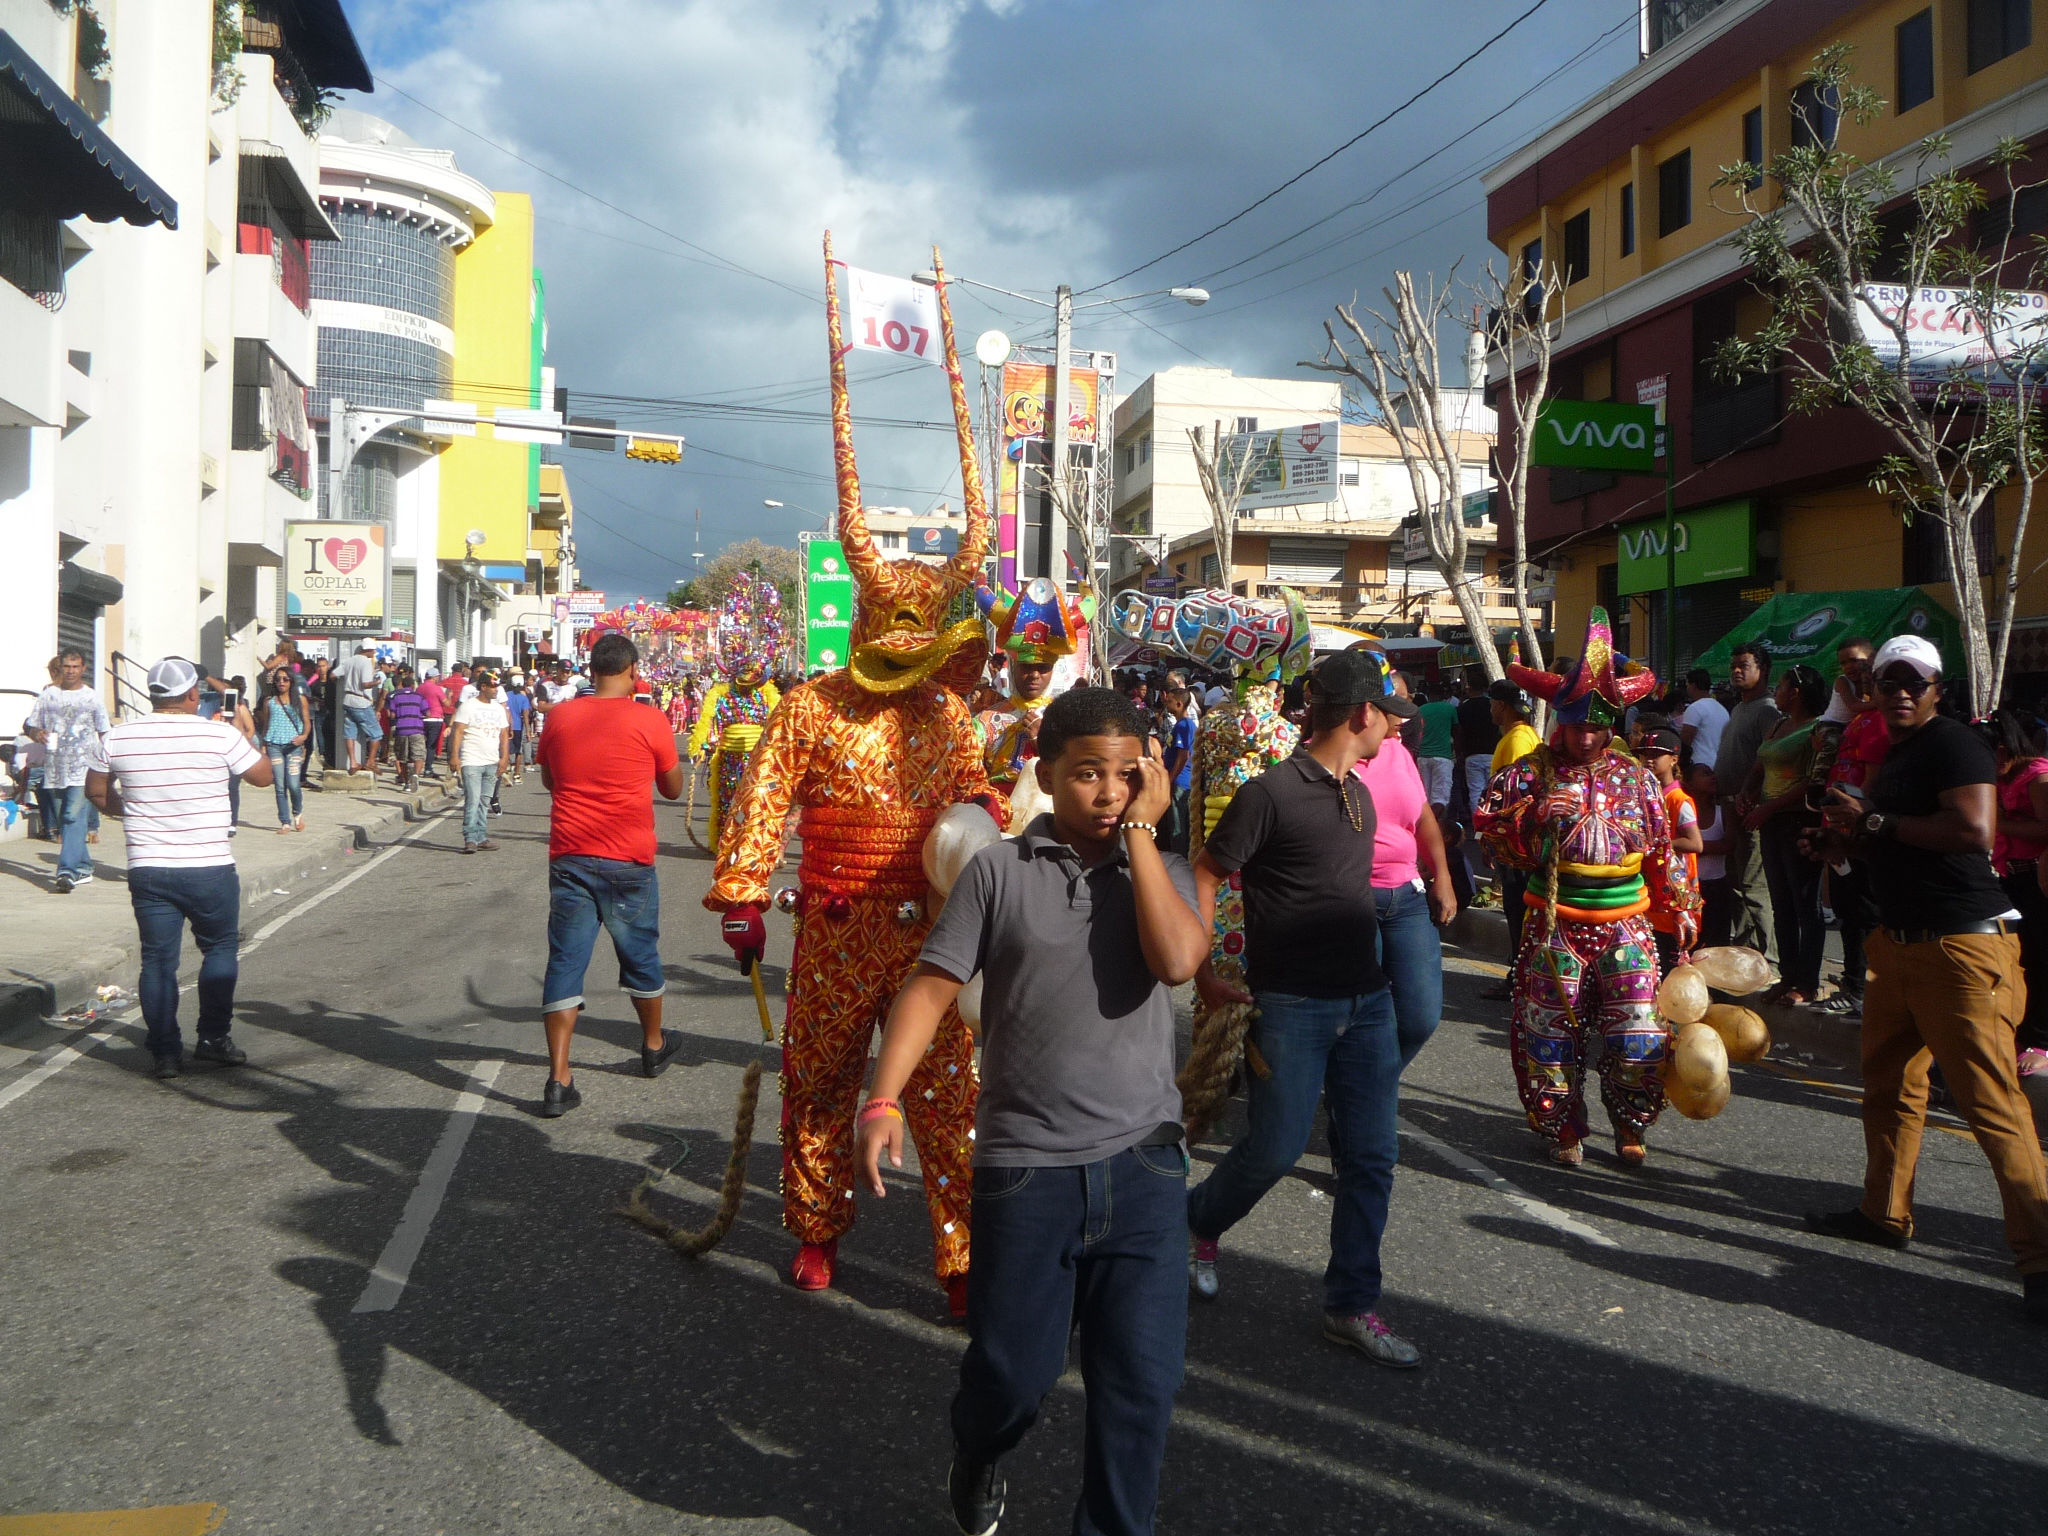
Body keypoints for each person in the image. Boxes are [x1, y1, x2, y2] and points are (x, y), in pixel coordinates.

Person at [709, 259, 1003, 1307]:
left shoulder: (948, 711)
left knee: (948, 1095)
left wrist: (995, 833)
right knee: (821, 1081)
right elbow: (760, 802)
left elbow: (984, 799)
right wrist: (744, 894)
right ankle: (815, 1226)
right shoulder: (810, 706)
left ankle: (962, 1254)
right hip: (833, 920)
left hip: (934, 926)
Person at [858, 688, 1206, 1536]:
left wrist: (1143, 841)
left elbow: (1178, 962)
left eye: (1128, 775)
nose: (1108, 791)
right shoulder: (998, 871)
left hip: (1145, 1164)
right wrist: (882, 1098)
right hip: (1026, 1172)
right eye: (1087, 774)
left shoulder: (1158, 868)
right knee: (1012, 1378)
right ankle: (978, 1450)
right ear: (1047, 776)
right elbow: (933, 986)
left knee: (1141, 1390)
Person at [1186, 649, 1424, 1368]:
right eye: (1389, 715)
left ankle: (1350, 1305)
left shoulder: (1362, 791)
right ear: (1360, 714)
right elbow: (1206, 871)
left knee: (1372, 1159)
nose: (1397, 729)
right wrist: (1200, 969)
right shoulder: (1270, 794)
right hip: (1291, 1006)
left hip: (1368, 1005)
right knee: (1275, 1149)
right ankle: (1191, 1223)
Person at [1804, 635, 2048, 1323]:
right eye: (1889, 680)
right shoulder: (1897, 753)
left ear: (1940, 686)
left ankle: (2041, 1257)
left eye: (1915, 679)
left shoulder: (1956, 744)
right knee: (1889, 1086)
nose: (1901, 690)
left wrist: (1874, 817)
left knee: (1991, 1104)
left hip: (1964, 948)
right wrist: (1842, 842)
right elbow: (1893, 834)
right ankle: (1884, 1212)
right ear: (1872, 689)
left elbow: (1974, 830)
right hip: (1901, 944)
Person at [1476, 608, 1699, 1168]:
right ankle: (1563, 1126)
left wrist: (1683, 912)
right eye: (1576, 724)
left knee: (1639, 1034)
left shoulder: (1639, 779)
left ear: (1614, 724)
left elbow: (1662, 852)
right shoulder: (1527, 773)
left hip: (1627, 923)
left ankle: (1630, 1121)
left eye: (1597, 725)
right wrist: (1532, 818)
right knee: (1548, 1037)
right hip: (1554, 925)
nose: (1586, 736)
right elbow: (1489, 835)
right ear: (1560, 721)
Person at [84, 658, 274, 1078]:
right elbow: (263, 777)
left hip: (149, 867)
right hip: (209, 866)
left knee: (157, 962)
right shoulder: (219, 734)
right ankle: (212, 1039)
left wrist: (131, 810)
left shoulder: (116, 737)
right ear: (193, 695)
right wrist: (247, 734)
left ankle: (165, 1052)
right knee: (220, 950)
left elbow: (96, 792)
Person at [533, 632, 686, 1116]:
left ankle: (558, 1079)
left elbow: (550, 780)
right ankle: (654, 1046)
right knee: (640, 954)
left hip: (572, 855)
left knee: (565, 961)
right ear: (632, 671)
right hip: (629, 859)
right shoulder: (650, 718)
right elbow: (673, 789)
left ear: (592, 669)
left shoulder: (560, 716)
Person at [1350, 662, 1449, 1072]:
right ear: (1366, 712)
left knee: (1420, 1016)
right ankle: (1357, 1101)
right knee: (1360, 1017)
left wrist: (1441, 874)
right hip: (1352, 900)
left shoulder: (1399, 752)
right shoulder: (1327, 760)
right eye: (1396, 707)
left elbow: (1422, 815)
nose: (1404, 717)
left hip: (1407, 896)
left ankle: (1368, 1086)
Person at [1744, 663, 1828, 1005]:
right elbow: (1761, 763)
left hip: (1797, 821)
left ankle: (1807, 982)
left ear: (1795, 691)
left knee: (1805, 904)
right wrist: (1748, 792)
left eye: (1779, 686)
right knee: (1781, 903)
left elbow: (1813, 779)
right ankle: (1788, 974)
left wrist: (1769, 806)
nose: (1775, 692)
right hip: (1771, 823)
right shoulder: (1778, 724)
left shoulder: (1818, 729)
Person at [687, 579, 785, 849]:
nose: (747, 676)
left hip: (760, 758)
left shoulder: (768, 695)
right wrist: (703, 746)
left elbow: (778, 725)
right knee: (729, 801)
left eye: (752, 670)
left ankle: (758, 847)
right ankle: (726, 844)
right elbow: (711, 723)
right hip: (729, 758)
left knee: (759, 803)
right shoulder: (721, 694)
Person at [970, 577, 1082, 798]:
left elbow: (1081, 775)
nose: (1034, 675)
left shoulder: (1069, 719)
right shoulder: (985, 722)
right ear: (1012, 666)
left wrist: (1043, 743)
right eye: (1026, 667)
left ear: (1053, 669)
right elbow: (967, 776)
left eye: (1043, 668)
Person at [1983, 709, 2048, 1080]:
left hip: (2037, 881)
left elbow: (2045, 828)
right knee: (2018, 962)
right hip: (2010, 878)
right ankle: (2023, 1033)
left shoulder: (2037, 777)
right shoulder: (2004, 778)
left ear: (2004, 750)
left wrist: (1995, 822)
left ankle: (2042, 1040)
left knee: (2042, 961)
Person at [1714, 642, 1781, 961]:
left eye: (1744, 665)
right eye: (1733, 667)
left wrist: (1752, 796)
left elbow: (1774, 760)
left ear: (1763, 670)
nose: (1736, 671)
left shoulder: (1767, 711)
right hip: (1728, 808)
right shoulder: (1739, 708)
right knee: (1737, 886)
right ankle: (1744, 951)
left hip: (1752, 810)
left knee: (1754, 888)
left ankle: (1770, 959)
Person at [1478, 680, 1543, 1000]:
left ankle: (1519, 977)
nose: (1489, 709)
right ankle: (1521, 972)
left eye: (1492, 703)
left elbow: (1516, 797)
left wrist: (1495, 839)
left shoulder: (1517, 740)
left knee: (1518, 911)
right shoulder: (1523, 736)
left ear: (1502, 706)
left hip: (1517, 844)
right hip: (1521, 844)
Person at [24, 647, 108, 892]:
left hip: (84, 766)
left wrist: (109, 763)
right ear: (59, 668)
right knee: (66, 819)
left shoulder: (91, 697)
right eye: (66, 667)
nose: (70, 671)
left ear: (83, 669)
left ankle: (66, 870)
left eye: (75, 667)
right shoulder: (48, 696)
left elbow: (105, 731)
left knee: (73, 816)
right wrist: (36, 733)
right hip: (55, 767)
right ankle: (83, 866)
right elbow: (30, 724)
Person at [1639, 729, 1702, 976]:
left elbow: (1695, 843)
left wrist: (1658, 844)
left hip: (1676, 895)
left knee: (1671, 965)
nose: (1649, 760)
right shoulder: (1649, 795)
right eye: (1646, 755)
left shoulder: (1679, 800)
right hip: (1653, 893)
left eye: (1657, 754)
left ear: (1674, 759)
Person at [448, 669, 511, 854]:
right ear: (482, 687)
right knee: (473, 799)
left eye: (497, 686)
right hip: (472, 760)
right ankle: (470, 838)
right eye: (492, 686)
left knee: (485, 801)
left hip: (492, 761)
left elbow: (504, 734)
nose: (496, 689)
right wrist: (454, 756)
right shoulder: (468, 706)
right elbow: (458, 731)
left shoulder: (498, 708)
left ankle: (482, 836)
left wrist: (504, 758)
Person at [254, 665, 310, 832]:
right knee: (279, 785)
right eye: (278, 679)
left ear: (291, 681)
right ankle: (285, 821)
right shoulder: (269, 702)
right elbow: (266, 724)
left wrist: (304, 736)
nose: (281, 682)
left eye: (285, 679)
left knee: (293, 784)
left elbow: (307, 722)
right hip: (274, 745)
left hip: (293, 746)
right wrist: (263, 746)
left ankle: (297, 813)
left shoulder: (300, 700)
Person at [1689, 762, 1733, 947]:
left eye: (1713, 773)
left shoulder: (1723, 812)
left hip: (1718, 888)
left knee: (1717, 944)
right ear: (1689, 783)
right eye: (1705, 774)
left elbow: (1728, 845)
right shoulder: (1684, 812)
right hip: (1690, 888)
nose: (1713, 777)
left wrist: (1694, 846)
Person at [1161, 675, 1199, 854]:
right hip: (1180, 781)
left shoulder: (1185, 725)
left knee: (1178, 826)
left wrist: (1171, 778)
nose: (1166, 704)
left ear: (1179, 704)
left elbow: (1183, 756)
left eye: (1169, 701)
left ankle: (1180, 860)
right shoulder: (1181, 725)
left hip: (1181, 783)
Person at [338, 641, 383, 776]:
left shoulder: (348, 661)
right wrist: (377, 682)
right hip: (361, 702)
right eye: (373, 650)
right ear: (368, 650)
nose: (374, 653)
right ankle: (371, 761)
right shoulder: (365, 663)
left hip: (347, 700)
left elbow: (334, 674)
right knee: (376, 733)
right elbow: (365, 684)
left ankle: (353, 762)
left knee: (350, 732)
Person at [384, 669, 430, 792]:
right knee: (419, 755)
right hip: (417, 730)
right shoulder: (419, 696)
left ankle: (407, 784)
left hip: (401, 730)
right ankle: (416, 775)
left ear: (402, 685)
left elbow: (392, 715)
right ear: (413, 686)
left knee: (402, 758)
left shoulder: (396, 697)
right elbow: (428, 712)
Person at [1413, 683, 1457, 808]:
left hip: (1423, 757)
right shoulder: (1449, 708)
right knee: (1441, 798)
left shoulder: (1420, 710)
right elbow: (1457, 732)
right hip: (1443, 757)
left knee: (1425, 797)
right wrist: (1459, 754)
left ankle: (1428, 823)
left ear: (1428, 695)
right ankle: (1438, 824)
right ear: (1442, 694)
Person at [1677, 667, 1728, 768]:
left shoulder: (1695, 708)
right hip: (1719, 764)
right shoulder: (1722, 709)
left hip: (1699, 765)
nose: (1687, 688)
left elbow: (1686, 740)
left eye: (1687, 685)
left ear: (1693, 685)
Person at [504, 671, 534, 785]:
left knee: (506, 749)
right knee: (518, 751)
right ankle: (517, 774)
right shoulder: (523, 698)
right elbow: (525, 715)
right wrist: (528, 730)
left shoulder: (506, 695)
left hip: (506, 726)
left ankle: (506, 770)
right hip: (518, 726)